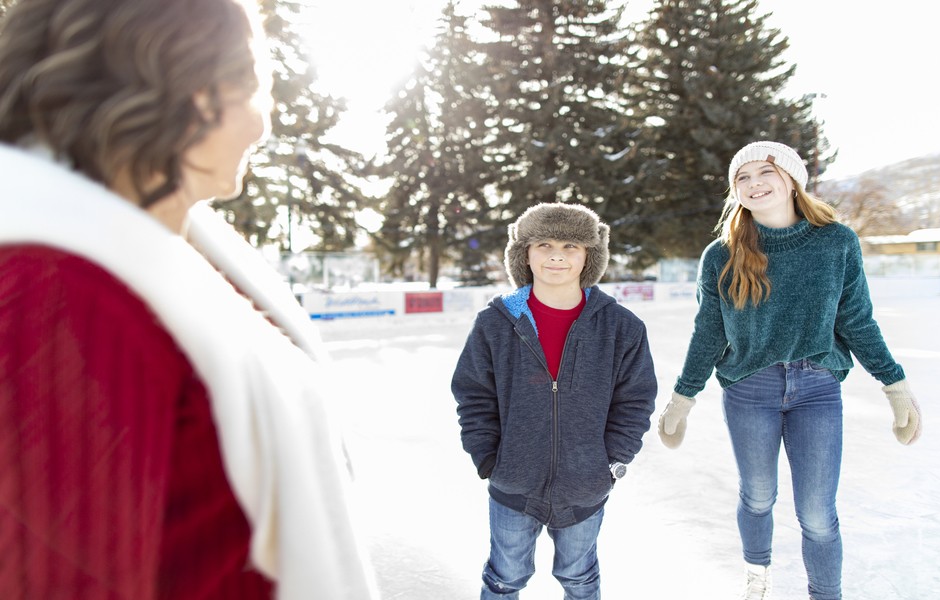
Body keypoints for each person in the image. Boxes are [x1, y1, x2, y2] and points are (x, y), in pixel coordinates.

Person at [0, 0, 377, 598]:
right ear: (200, 93)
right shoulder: (57, 302)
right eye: (257, 84)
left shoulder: (179, 257)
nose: (265, 121)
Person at [656, 141, 922, 600]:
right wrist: (682, 398)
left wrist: (894, 385)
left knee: (818, 513)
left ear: (792, 180)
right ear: (734, 190)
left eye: (766, 172)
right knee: (758, 497)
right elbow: (708, 332)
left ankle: (825, 594)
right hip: (749, 390)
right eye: (743, 177)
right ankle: (757, 578)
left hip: (817, 388)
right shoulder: (721, 255)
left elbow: (855, 319)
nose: (754, 184)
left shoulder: (836, 242)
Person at [452, 203, 657, 599]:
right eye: (543, 244)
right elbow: (473, 394)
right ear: (524, 254)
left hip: (585, 486)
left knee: (579, 578)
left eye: (571, 245)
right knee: (504, 577)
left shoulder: (621, 327)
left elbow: (635, 400)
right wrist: (489, 457)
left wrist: (611, 462)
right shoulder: (496, 322)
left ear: (589, 256)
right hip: (513, 483)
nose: (557, 255)